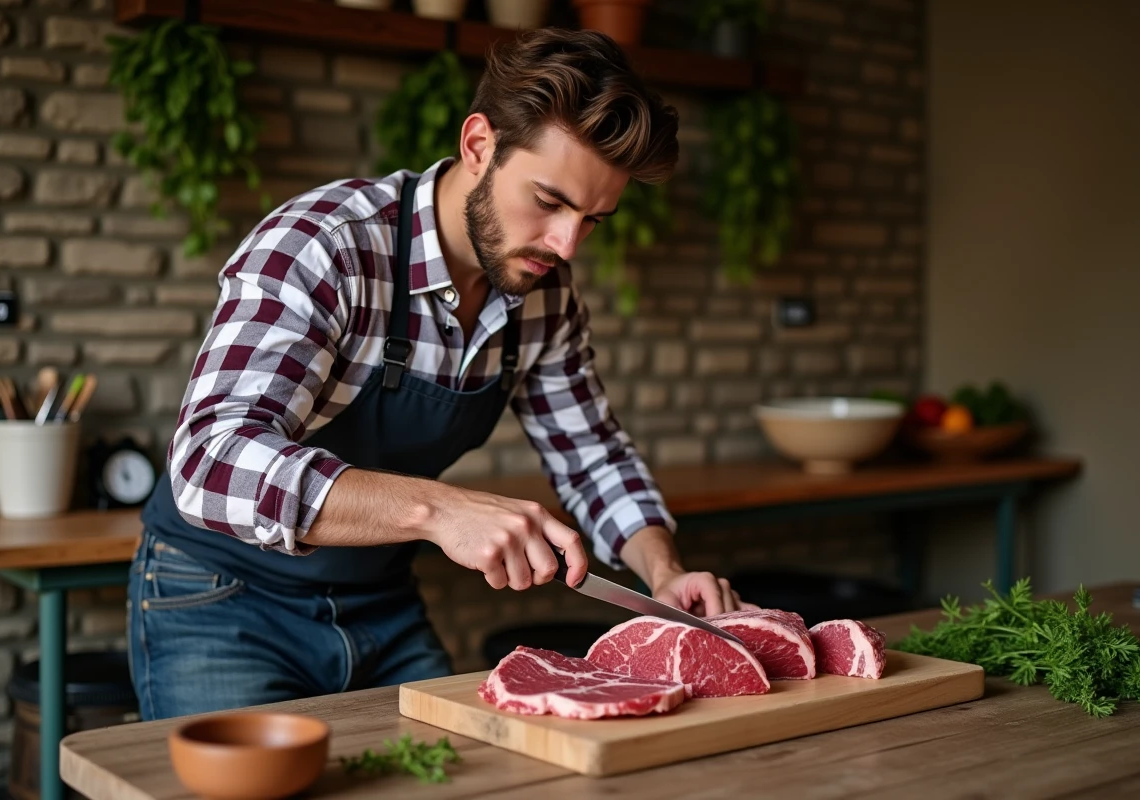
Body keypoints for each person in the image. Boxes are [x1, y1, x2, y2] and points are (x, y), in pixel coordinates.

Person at [128, 27, 754, 721]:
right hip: (222, 597)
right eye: (549, 202)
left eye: (594, 219)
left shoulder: (544, 294)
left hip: (379, 602)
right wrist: (440, 510)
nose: (567, 243)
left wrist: (662, 572)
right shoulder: (325, 245)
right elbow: (210, 461)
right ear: (479, 144)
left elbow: (593, 460)